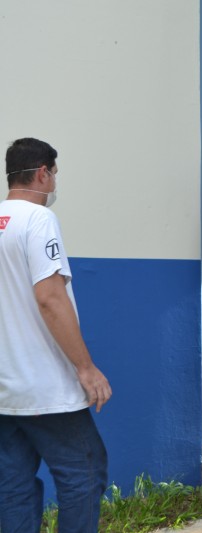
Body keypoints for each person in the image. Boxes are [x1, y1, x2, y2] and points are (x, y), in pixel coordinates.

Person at [0, 137, 112, 531]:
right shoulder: (38, 219)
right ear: (43, 173)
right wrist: (86, 368)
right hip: (45, 387)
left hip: (5, 391)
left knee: (11, 486)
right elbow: (49, 297)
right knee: (84, 473)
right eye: (54, 175)